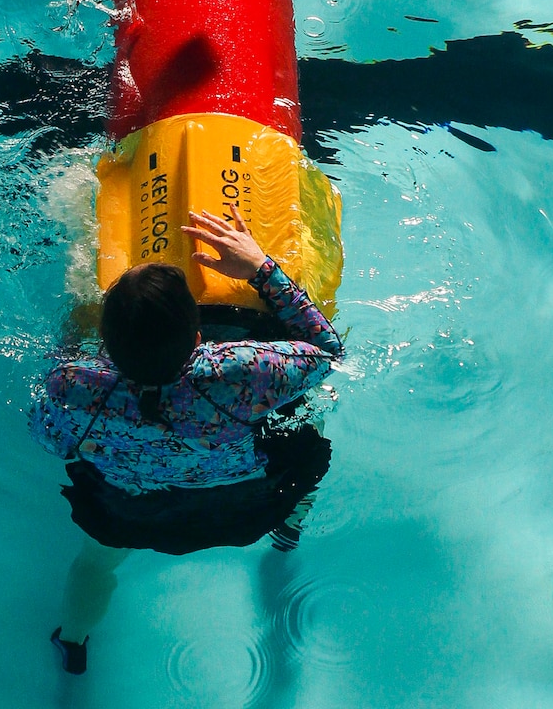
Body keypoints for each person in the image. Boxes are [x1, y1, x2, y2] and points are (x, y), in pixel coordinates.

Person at [34, 206, 343, 673]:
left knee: (95, 562)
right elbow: (328, 352)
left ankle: (73, 645)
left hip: (132, 513)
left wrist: (73, 336)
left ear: (107, 343)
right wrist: (262, 270)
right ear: (200, 337)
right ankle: (287, 532)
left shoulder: (74, 386)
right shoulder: (237, 372)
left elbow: (52, 437)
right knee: (304, 442)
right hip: (249, 507)